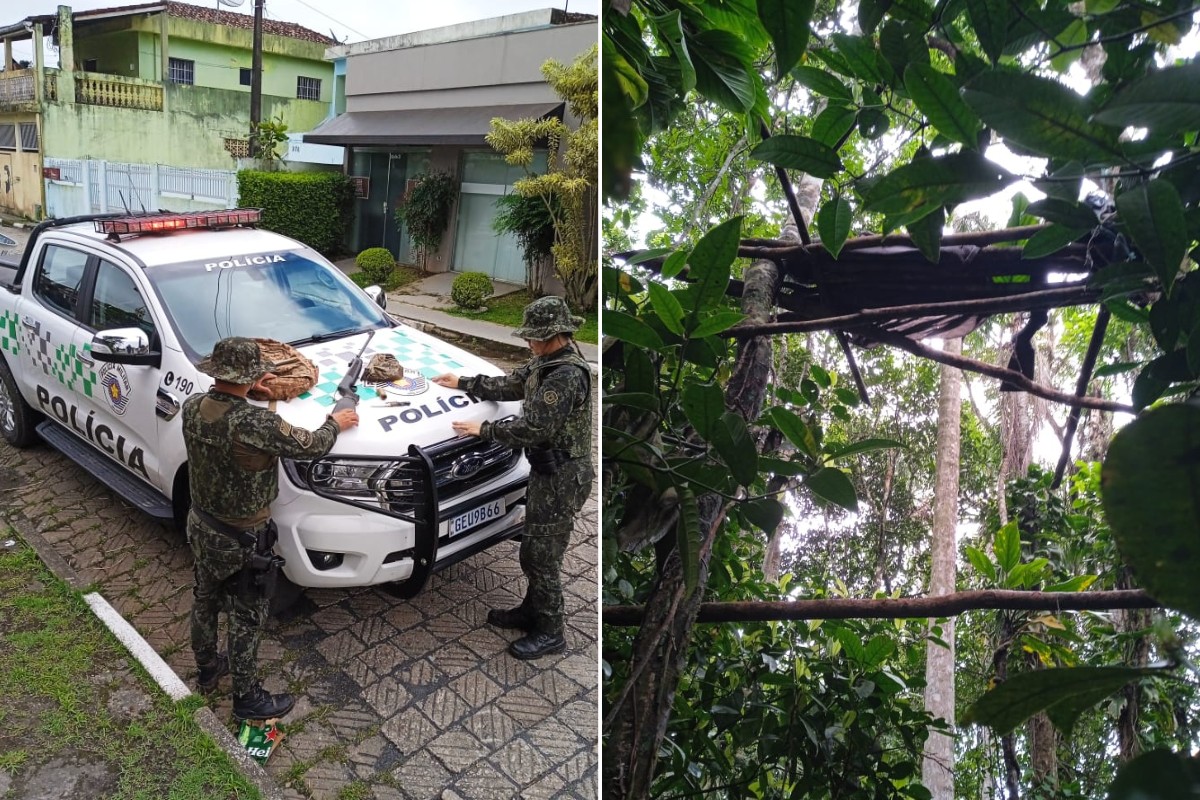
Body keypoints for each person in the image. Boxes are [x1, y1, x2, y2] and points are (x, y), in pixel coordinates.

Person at [185, 337, 358, 719]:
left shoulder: (192, 407)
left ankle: (208, 669)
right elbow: (311, 444)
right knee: (247, 617)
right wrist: (337, 421)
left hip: (202, 525)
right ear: (253, 376)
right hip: (243, 538)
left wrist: (248, 392)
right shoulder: (257, 422)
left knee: (205, 600)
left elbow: (228, 418)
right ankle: (247, 698)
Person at [433, 296, 592, 660]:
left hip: (564, 476)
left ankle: (552, 632)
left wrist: (483, 430)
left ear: (553, 335)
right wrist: (464, 382)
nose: (528, 343)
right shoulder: (547, 360)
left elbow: (534, 427)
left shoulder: (565, 375)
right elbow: (513, 384)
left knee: (540, 556)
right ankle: (532, 610)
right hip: (550, 471)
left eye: (533, 337)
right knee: (535, 548)